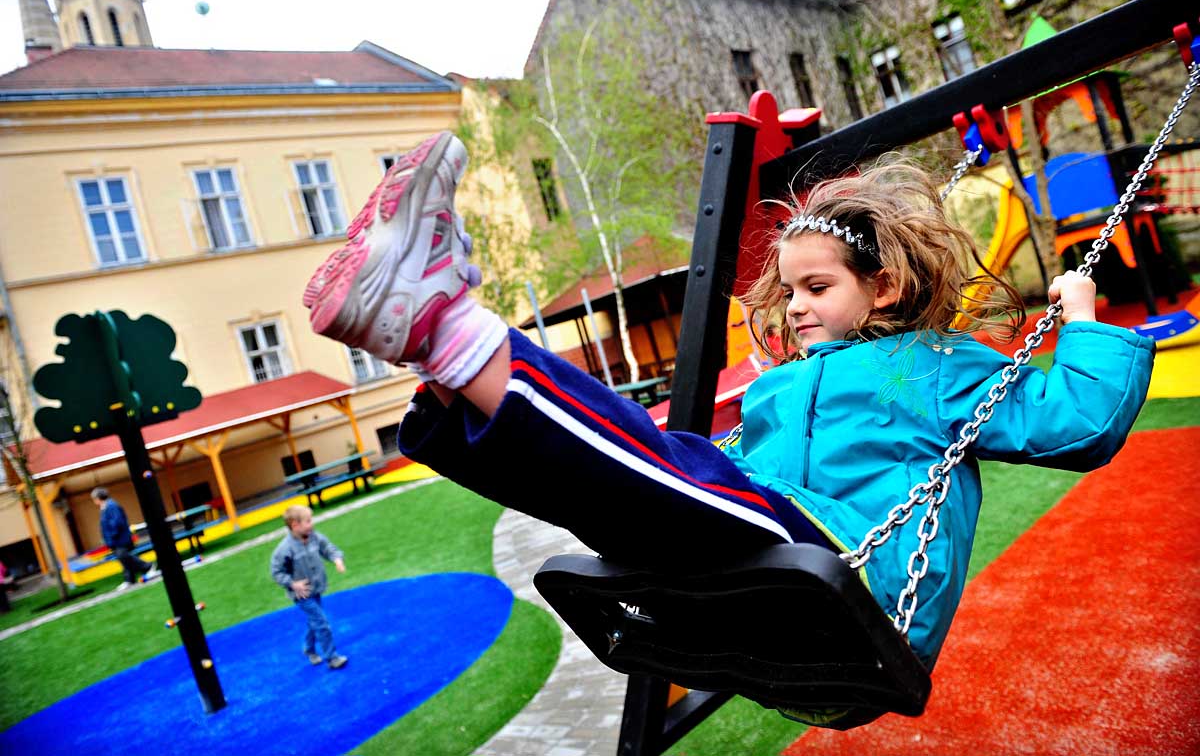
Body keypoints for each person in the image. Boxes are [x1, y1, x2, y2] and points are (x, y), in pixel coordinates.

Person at [302, 132, 1153, 672]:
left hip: (853, 582)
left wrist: (1082, 321)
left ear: (885, 286)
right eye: (788, 293)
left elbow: (1075, 422)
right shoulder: (784, 384)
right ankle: (428, 351)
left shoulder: (934, 368)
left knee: (672, 476)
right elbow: (734, 473)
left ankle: (444, 327)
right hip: (769, 574)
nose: (797, 308)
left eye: (817, 287)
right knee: (627, 494)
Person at [269, 505, 348, 669]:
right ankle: (332, 658)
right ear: (295, 525)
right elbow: (276, 572)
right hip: (302, 594)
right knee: (322, 623)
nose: (311, 524)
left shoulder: (314, 537)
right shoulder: (284, 549)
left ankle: (309, 649)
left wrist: (337, 559)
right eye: (308, 521)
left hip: (316, 588)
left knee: (314, 622)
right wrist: (292, 583)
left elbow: (328, 548)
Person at [91, 487, 159, 590]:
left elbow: (117, 522)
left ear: (98, 498)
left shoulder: (111, 506)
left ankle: (147, 566)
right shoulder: (105, 507)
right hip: (114, 540)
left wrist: (111, 536)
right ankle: (129, 580)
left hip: (120, 538)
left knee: (123, 555)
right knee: (122, 558)